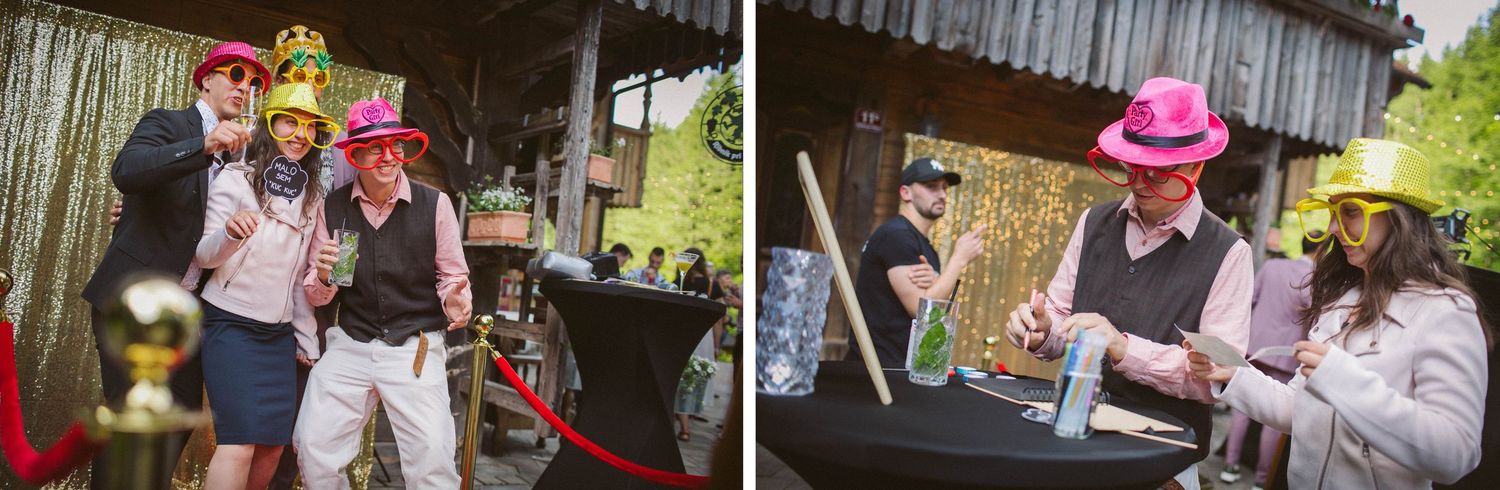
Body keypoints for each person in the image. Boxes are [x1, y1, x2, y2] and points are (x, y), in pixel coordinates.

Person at [1190, 138, 1490, 488]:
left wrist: (1344, 381)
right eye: (1333, 213)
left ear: (1399, 218)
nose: (1333, 229)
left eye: (1349, 211)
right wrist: (1232, 375)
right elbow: (1298, 409)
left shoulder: (1445, 312)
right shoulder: (1342, 300)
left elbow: (1455, 453)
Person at [1002, 77, 1252, 489]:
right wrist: (1044, 329)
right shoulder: (1094, 222)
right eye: (1131, 166)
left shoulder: (1229, 252)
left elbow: (1216, 376)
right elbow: (1062, 319)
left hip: (1162, 462)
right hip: (1074, 441)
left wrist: (1123, 347)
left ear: (1194, 165)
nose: (1138, 183)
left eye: (1156, 172)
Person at [80, 40, 262, 489]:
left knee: (178, 418)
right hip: (135, 301)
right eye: (235, 74)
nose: (245, 87)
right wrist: (201, 144)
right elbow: (128, 170)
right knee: (129, 420)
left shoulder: (244, 153)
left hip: (190, 313)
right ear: (207, 79)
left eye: (253, 81)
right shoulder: (168, 122)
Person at [294, 98, 471, 488]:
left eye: (396, 145)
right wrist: (324, 276)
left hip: (414, 346)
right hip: (352, 344)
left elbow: (452, 276)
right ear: (355, 154)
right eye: (376, 146)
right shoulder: (333, 206)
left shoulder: (436, 204)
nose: (389, 156)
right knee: (312, 445)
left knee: (432, 459)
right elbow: (318, 294)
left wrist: (456, 299)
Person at [194, 82, 333, 489]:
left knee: (273, 447)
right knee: (238, 444)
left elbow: (296, 278)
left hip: (278, 335)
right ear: (271, 126)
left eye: (309, 128)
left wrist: (307, 339)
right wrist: (231, 233)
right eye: (290, 123)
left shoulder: (311, 197)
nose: (299, 136)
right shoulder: (235, 180)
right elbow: (204, 255)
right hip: (230, 325)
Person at [263, 25, 348, 489]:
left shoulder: (334, 152)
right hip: (249, 297)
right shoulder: (252, 146)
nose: (308, 82)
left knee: (296, 419)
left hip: (316, 298)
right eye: (296, 71)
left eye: (318, 76)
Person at [848, 157, 987, 367]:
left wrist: (936, 280)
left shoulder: (920, 243)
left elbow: (931, 306)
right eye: (931, 187)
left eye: (944, 188)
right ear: (906, 193)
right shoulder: (897, 236)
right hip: (876, 372)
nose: (941, 194)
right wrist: (959, 259)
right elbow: (923, 311)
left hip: (898, 369)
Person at [1219, 231, 1323, 488]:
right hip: (1286, 353)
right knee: (1274, 422)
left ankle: (1230, 466)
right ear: (1320, 252)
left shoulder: (1273, 265)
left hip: (1255, 345)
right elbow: (1313, 319)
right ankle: (1262, 480)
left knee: (1241, 410)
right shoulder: (1314, 279)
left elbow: (1250, 300)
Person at [674, 247, 723, 441]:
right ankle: (686, 424)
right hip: (704, 337)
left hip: (682, 333)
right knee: (694, 376)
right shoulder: (713, 284)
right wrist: (717, 344)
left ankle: (682, 422)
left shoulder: (679, 281)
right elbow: (719, 319)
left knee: (681, 376)